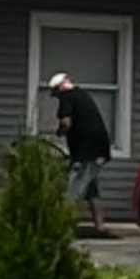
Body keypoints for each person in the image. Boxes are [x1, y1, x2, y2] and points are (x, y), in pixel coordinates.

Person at [48, 68, 113, 222]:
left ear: (60, 88)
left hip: (86, 151)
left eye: (56, 93)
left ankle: (61, 224)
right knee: (91, 188)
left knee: (74, 187)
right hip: (99, 148)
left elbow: (66, 122)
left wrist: (59, 132)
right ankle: (100, 226)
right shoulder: (82, 94)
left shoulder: (67, 97)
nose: (57, 96)